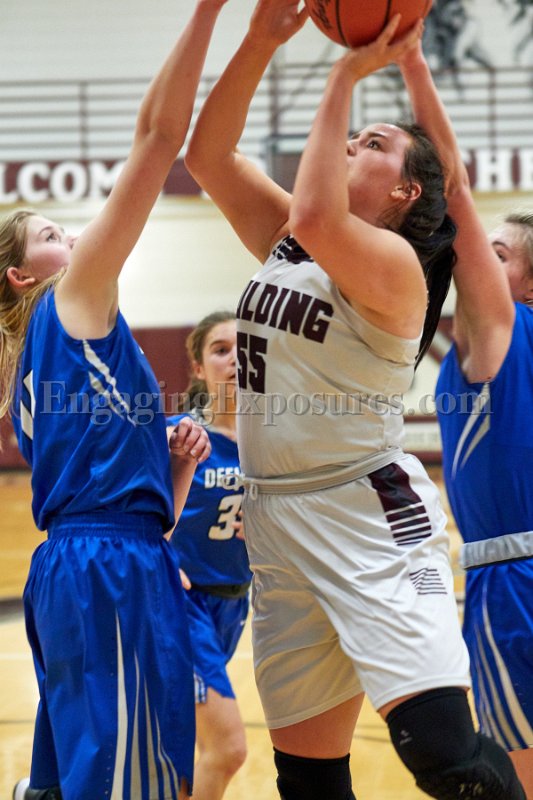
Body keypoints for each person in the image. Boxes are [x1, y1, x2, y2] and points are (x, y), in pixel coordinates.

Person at [184, 1, 526, 798]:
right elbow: (206, 156)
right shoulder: (290, 242)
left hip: (366, 513)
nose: (346, 144)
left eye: (371, 144)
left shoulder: (396, 268)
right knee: (307, 778)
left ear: (406, 190)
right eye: (350, 136)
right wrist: (259, 41)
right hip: (277, 516)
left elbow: (320, 210)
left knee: (447, 761)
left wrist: (346, 73)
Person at [0, 2, 229, 798]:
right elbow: (157, 139)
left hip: (100, 559)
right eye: (53, 236)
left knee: (83, 778)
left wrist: (168, 464)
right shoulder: (71, 301)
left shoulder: (59, 349)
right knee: (132, 782)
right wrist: (209, 13)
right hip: (108, 569)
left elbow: (123, 500)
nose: (75, 239)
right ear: (22, 276)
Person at [397, 35, 533, 799]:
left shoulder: (497, 331)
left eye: (497, 253)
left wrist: (412, 63)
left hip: (512, 580)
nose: (477, 253)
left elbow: (451, 191)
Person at [166, 311, 250, 800]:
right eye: (221, 350)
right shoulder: (181, 436)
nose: (236, 360)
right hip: (183, 605)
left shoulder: (271, 444)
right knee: (227, 748)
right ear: (198, 368)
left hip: (234, 605)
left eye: (244, 348)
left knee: (181, 751)